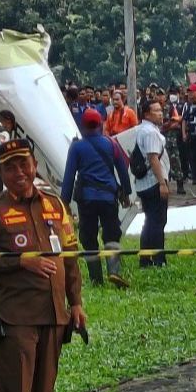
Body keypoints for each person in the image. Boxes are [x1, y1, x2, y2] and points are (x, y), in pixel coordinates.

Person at [0, 139, 86, 392]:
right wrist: (20, 261)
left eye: (24, 164)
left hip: (54, 315)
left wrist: (76, 303)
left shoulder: (55, 206)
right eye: (10, 167)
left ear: (35, 165)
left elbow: (70, 257)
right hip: (16, 319)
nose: (19, 172)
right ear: (0, 173)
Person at [61, 108, 132, 288]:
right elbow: (123, 170)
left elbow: (69, 176)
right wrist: (126, 193)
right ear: (100, 125)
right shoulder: (111, 144)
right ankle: (114, 271)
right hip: (109, 197)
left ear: (82, 126)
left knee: (88, 237)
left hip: (87, 198)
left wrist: (64, 202)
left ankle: (96, 278)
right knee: (112, 234)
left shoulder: (77, 147)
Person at [135, 99, 170, 267]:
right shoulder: (149, 132)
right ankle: (157, 259)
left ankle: (145, 258)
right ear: (147, 114)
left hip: (146, 183)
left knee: (150, 221)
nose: (160, 113)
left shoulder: (145, 129)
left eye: (160, 110)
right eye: (156, 110)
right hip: (153, 182)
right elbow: (153, 158)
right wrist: (162, 183)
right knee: (157, 221)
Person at [158, 89, 185, 194]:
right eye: (158, 95)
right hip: (159, 139)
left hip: (170, 139)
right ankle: (164, 185)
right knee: (161, 163)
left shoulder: (170, 107)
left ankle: (180, 184)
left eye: (162, 95)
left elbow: (177, 120)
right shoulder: (154, 108)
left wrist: (166, 126)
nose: (160, 97)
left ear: (165, 96)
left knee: (175, 161)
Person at [182, 86, 196, 184]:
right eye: (189, 92)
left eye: (192, 92)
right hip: (191, 134)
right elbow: (184, 120)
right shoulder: (188, 105)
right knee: (192, 156)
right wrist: (184, 133)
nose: (190, 94)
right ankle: (195, 177)